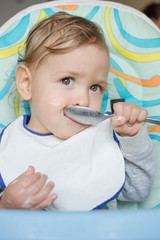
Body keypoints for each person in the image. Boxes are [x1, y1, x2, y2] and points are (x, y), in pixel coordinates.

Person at [0, 12, 155, 211]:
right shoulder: (10, 147)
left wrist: (132, 137)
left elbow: (138, 192)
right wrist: (5, 207)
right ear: (27, 84)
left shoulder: (104, 136)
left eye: (95, 87)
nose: (83, 100)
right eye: (67, 80)